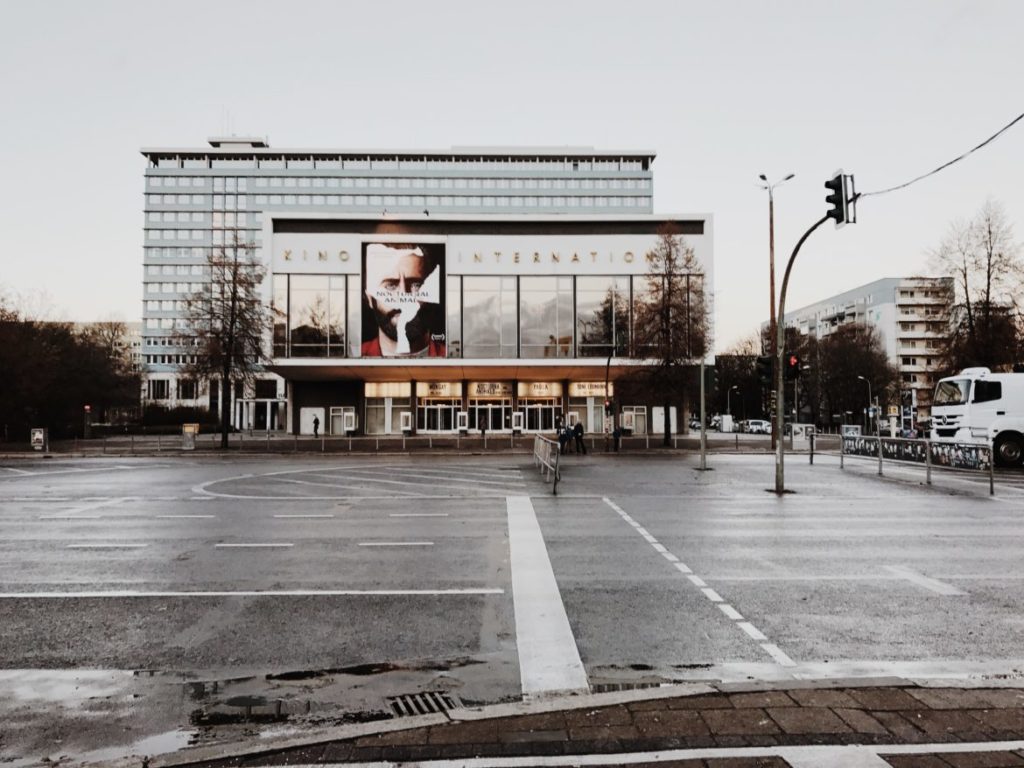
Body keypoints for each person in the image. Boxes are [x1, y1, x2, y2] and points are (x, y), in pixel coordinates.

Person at [362, 243, 446, 357]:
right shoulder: (355, 356)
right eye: (390, 286)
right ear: (370, 298)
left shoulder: (452, 358)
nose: (403, 297)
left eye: (415, 285)